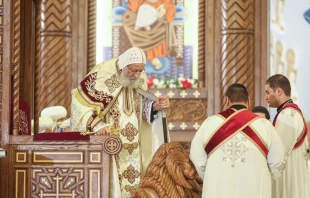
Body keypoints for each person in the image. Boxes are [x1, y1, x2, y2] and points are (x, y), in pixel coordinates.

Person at [70, 47, 170, 197]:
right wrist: (98, 125)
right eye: (133, 71)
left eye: (140, 71)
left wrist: (154, 107)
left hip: (135, 147)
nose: (137, 75)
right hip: (110, 144)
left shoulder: (139, 77)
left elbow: (140, 108)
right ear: (124, 65)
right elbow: (80, 103)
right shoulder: (102, 73)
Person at [190, 83, 285, 198]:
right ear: (249, 101)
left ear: (227, 101)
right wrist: (264, 177)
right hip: (254, 188)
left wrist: (211, 175)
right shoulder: (265, 125)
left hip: (218, 190)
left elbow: (196, 156)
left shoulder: (209, 123)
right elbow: (278, 160)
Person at [265, 74, 310, 198]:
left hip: (288, 180)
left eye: (268, 92)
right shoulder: (291, 112)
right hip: (295, 176)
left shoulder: (287, 115)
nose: (266, 97)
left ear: (279, 91)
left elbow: (279, 153)